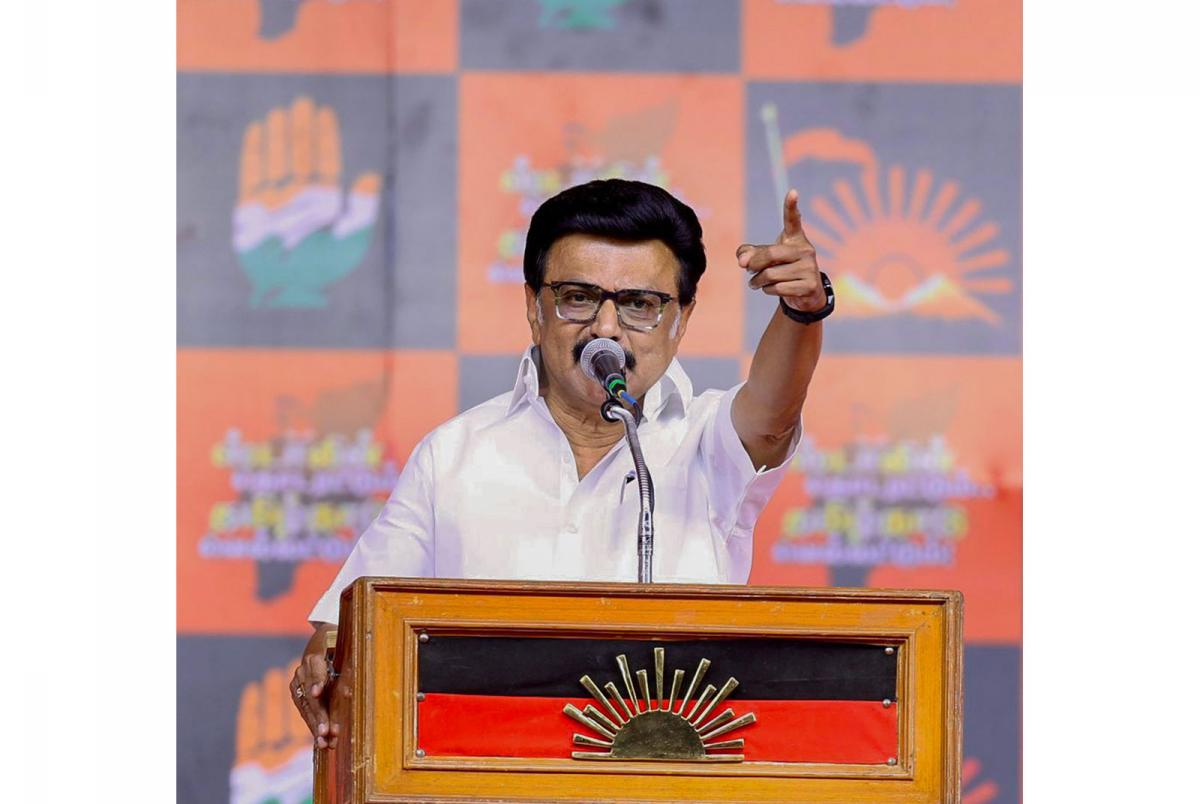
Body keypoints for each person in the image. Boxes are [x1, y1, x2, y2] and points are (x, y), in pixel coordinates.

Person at [289, 179, 832, 747]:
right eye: (578, 297)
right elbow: (350, 629)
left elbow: (772, 417)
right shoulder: (454, 455)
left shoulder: (708, 440)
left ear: (681, 319)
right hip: (489, 770)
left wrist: (802, 312)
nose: (606, 328)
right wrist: (328, 659)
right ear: (534, 307)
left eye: (640, 305)